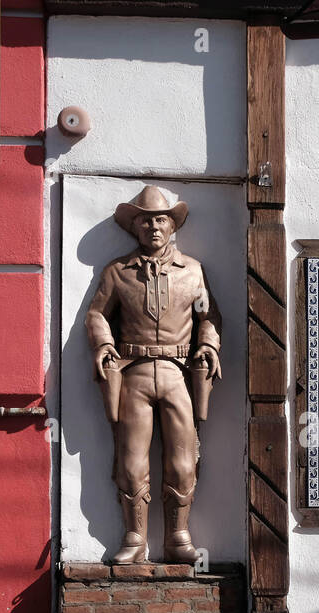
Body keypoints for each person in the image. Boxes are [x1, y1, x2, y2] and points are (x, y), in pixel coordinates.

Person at [85, 185, 222, 564]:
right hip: (135, 373)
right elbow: (96, 314)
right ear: (135, 227)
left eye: (160, 218)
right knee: (131, 459)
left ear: (172, 224)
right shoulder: (117, 272)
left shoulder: (193, 272)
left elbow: (208, 317)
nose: (153, 226)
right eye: (145, 220)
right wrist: (102, 344)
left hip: (179, 374)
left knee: (183, 459)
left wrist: (208, 347)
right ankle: (135, 537)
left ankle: (178, 536)